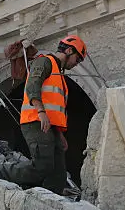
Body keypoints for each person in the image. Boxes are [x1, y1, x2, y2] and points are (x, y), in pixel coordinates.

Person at [9, 35, 87, 195]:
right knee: (42, 166)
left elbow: (55, 109)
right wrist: (41, 111)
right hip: (35, 121)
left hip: (50, 127)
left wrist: (59, 134)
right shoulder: (45, 62)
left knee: (58, 174)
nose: (76, 63)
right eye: (77, 59)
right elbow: (32, 86)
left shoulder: (59, 75)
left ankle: (48, 202)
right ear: (69, 50)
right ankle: (1, 174)